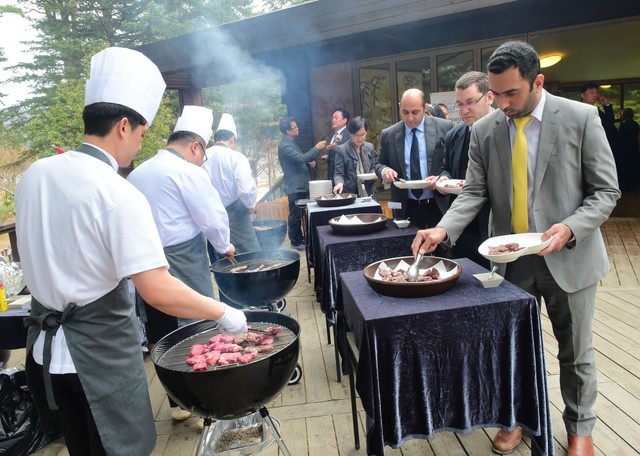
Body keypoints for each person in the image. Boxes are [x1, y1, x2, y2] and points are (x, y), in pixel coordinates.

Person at [15, 47, 246, 456]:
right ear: (124, 126)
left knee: (81, 447)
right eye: (141, 134)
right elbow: (156, 289)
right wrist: (223, 312)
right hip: (98, 357)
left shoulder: (35, 175)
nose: (139, 146)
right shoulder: (117, 191)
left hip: (46, 356)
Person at [411, 41, 620, 456]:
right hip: (510, 259)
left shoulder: (581, 118)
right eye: (496, 93)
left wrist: (570, 227)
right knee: (515, 350)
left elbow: (605, 192)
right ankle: (521, 418)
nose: (502, 103)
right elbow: (473, 191)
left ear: (537, 81)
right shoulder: (484, 131)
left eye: (512, 93)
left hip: (570, 256)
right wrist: (442, 229)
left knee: (575, 352)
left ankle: (579, 430)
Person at [128, 104, 234, 421]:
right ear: (195, 146)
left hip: (145, 264)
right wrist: (224, 245)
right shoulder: (188, 172)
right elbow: (213, 219)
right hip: (183, 258)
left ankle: (177, 403)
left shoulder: (138, 172)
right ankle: (205, 407)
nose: (202, 161)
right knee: (198, 324)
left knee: (162, 330)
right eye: (202, 154)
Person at [437, 71, 494, 268]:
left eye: (470, 102)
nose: (464, 110)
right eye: (459, 104)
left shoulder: (505, 131)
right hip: (461, 225)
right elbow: (446, 168)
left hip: (492, 223)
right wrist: (443, 180)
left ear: (489, 97)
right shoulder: (454, 134)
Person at [375, 88, 453, 230]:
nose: (410, 118)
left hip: (438, 204)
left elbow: (453, 164)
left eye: (415, 112)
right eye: (405, 112)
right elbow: (379, 163)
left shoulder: (445, 127)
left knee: (443, 250)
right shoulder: (389, 134)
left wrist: (441, 178)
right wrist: (384, 170)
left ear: (424, 108)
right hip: (405, 205)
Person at [203, 113, 261, 261]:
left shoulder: (203, 156)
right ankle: (256, 282)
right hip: (235, 213)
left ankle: (227, 284)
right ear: (232, 140)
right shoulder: (236, 157)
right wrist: (250, 206)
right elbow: (246, 187)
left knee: (221, 259)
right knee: (250, 255)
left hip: (210, 213)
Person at [278, 117, 327, 250]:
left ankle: (300, 238)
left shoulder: (291, 143)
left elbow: (299, 161)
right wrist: (316, 148)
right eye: (295, 127)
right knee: (295, 214)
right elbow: (300, 158)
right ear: (288, 131)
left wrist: (308, 164)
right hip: (294, 185)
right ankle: (295, 241)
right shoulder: (285, 145)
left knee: (299, 213)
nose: (297, 128)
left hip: (300, 184)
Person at [332, 116, 377, 198]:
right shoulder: (342, 150)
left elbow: (373, 167)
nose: (360, 138)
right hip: (351, 194)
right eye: (356, 135)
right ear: (350, 134)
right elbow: (338, 173)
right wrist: (339, 183)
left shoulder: (370, 147)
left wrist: (374, 174)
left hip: (369, 192)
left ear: (366, 132)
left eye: (362, 134)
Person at [324, 108, 351, 184]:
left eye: (336, 118)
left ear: (345, 120)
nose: (333, 120)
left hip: (343, 174)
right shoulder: (333, 135)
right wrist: (329, 156)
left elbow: (351, 152)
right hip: (332, 172)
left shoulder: (348, 135)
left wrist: (336, 148)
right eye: (332, 118)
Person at [617, 108, 640, 190]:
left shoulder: (624, 125)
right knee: (632, 166)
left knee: (625, 168)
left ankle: (626, 186)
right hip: (633, 149)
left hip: (625, 150)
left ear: (625, 115)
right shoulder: (636, 124)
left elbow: (621, 138)